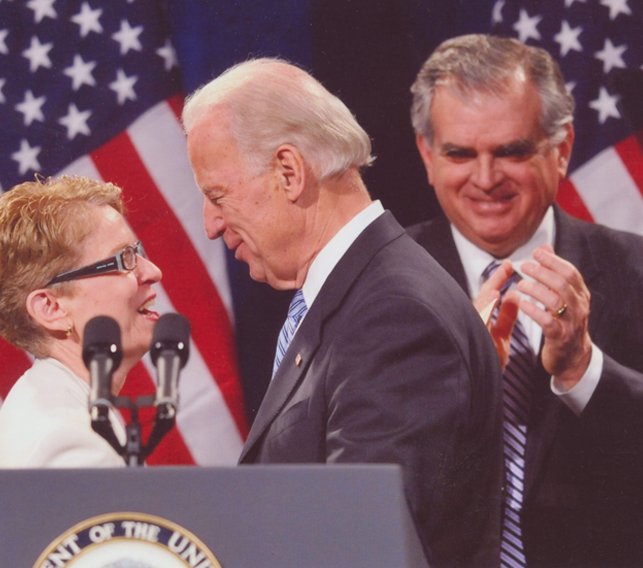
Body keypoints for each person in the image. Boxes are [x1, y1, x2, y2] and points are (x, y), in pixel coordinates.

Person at [182, 58, 504, 567]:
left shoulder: (395, 316)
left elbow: (361, 545)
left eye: (216, 195)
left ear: (289, 172)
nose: (210, 225)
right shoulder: (352, 298)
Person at [407, 34, 643, 568]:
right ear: (427, 154)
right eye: (461, 153)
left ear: (561, 151)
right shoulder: (380, 287)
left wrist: (584, 370)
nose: (485, 179)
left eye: (510, 151)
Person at [0, 175, 163, 468]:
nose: (153, 271)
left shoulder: (63, 408)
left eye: (138, 252)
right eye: (123, 259)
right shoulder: (69, 444)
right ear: (51, 308)